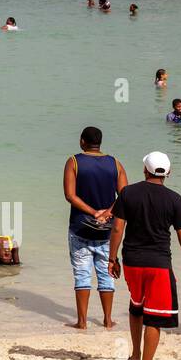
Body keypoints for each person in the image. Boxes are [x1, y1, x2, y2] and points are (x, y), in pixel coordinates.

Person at [109, 151, 181, 360]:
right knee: (155, 317)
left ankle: (135, 356)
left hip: (131, 262)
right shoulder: (174, 199)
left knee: (136, 305)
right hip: (158, 264)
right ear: (168, 173)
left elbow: (117, 229)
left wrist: (112, 258)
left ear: (145, 170)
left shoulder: (128, 193)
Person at [63, 126, 127, 329]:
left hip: (80, 227)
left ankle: (82, 322)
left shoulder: (73, 162)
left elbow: (70, 196)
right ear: (100, 142)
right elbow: (124, 196)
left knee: (82, 274)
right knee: (106, 273)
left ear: (82, 141)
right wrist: (108, 213)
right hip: (107, 231)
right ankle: (107, 320)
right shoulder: (115, 163)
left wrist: (93, 212)